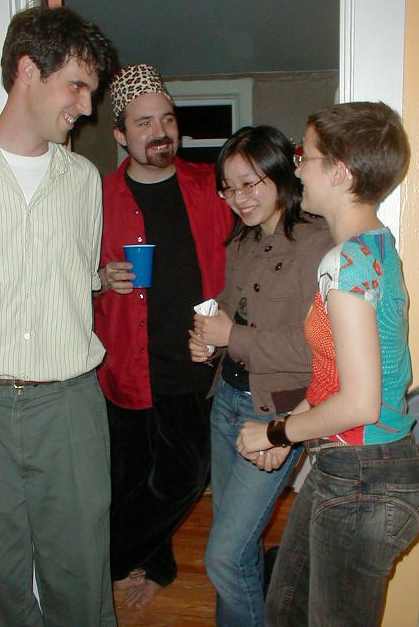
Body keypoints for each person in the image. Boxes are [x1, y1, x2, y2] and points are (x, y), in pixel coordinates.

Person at [0, 5, 118, 627]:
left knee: (83, 582)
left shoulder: (84, 181)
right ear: (27, 71)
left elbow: (75, 286)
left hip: (69, 408)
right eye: (77, 86)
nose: (87, 107)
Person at [237, 101, 419, 627]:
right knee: (285, 609)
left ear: (339, 172)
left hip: (364, 479)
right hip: (350, 468)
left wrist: (274, 431)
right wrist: (291, 434)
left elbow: (360, 404)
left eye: (305, 156)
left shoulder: (347, 262)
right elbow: (335, 377)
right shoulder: (376, 247)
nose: (296, 169)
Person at [93, 63, 233, 608]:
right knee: (130, 480)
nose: (160, 132)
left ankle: (98, 562)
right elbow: (63, 269)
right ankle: (156, 565)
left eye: (167, 119)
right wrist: (98, 277)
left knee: (185, 474)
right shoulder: (96, 196)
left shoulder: (210, 186)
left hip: (192, 362)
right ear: (120, 134)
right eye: (144, 122)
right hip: (123, 365)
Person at [188, 125, 334, 626]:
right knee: (236, 548)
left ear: (281, 173)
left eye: (249, 183)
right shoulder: (243, 241)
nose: (238, 199)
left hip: (272, 410)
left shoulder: (318, 243)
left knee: (225, 556)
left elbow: (318, 349)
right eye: (228, 188)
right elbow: (231, 309)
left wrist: (233, 336)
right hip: (226, 401)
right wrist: (207, 341)